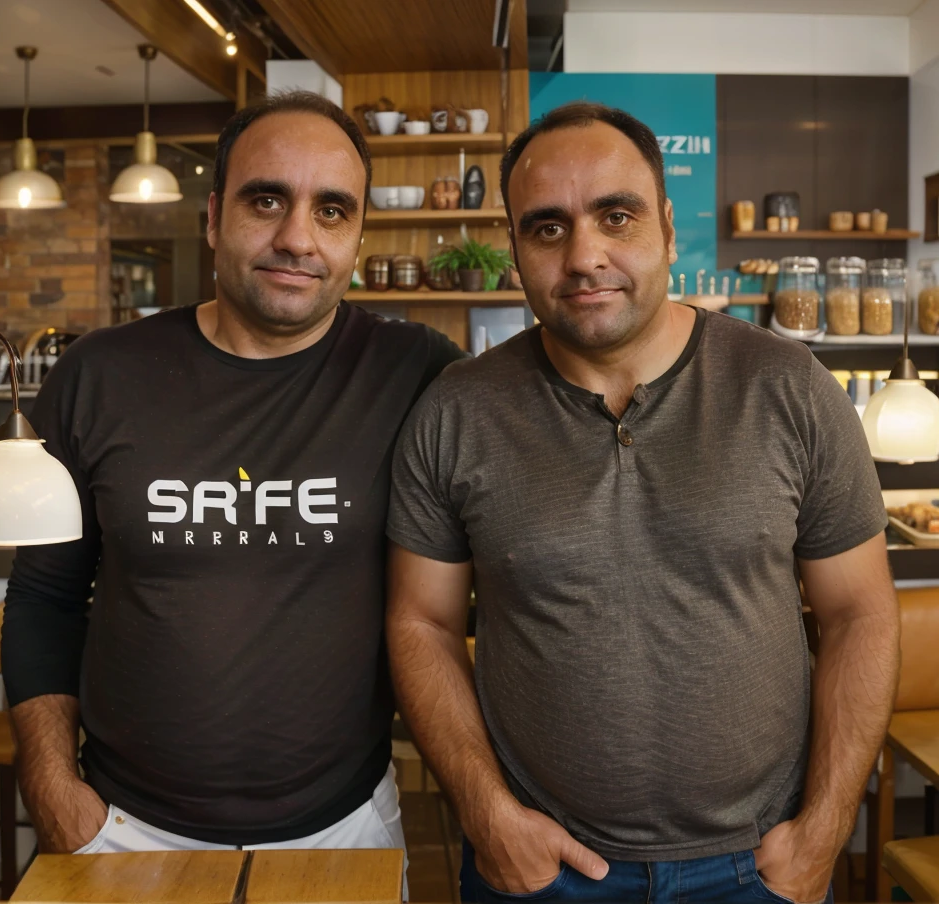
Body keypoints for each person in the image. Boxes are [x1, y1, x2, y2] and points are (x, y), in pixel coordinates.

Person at [385, 101, 900, 904]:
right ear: (515, 245)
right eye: (547, 228)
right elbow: (422, 623)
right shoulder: (457, 411)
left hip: (758, 865)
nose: (585, 255)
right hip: (538, 865)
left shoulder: (787, 388)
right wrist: (487, 815)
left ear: (664, 222)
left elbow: (862, 615)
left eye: (615, 216)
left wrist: (827, 827)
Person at [2, 91, 463, 862]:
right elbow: (45, 598)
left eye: (331, 211)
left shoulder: (419, 374)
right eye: (266, 200)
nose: (296, 238)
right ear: (214, 216)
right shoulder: (99, 376)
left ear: (356, 236)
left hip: (344, 832)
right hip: (120, 832)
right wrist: (54, 792)